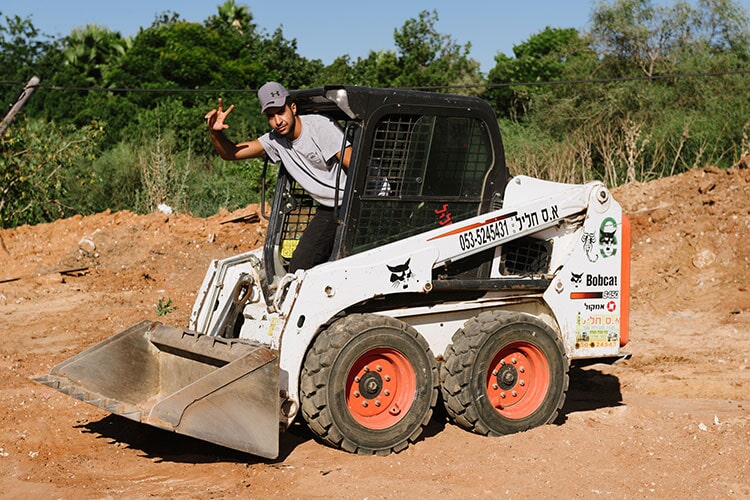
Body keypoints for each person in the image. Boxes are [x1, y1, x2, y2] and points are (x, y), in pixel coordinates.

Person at [205, 82, 352, 272]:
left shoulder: (319, 127)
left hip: (359, 199)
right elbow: (231, 153)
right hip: (332, 206)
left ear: (292, 107)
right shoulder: (275, 140)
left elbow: (356, 164)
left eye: (281, 111)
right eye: (271, 116)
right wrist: (215, 132)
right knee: (300, 265)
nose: (277, 121)